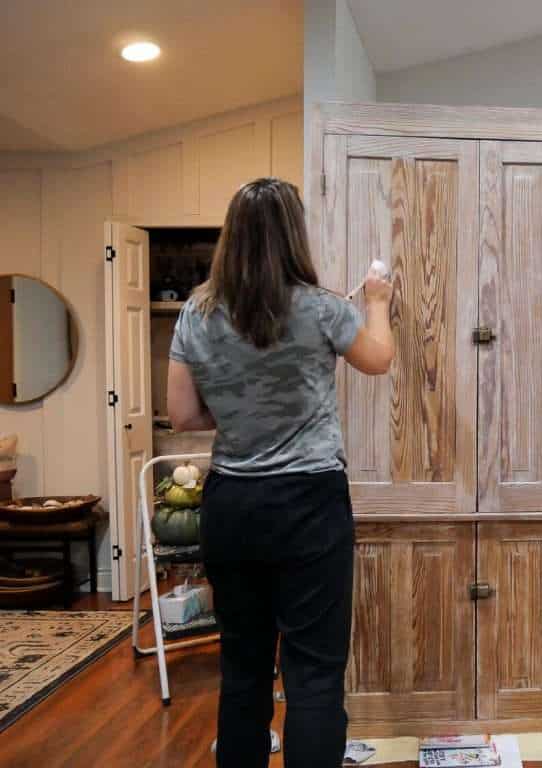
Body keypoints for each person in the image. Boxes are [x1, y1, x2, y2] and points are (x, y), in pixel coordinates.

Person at [166, 177, 394, 767]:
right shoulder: (322, 308)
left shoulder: (197, 310)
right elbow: (379, 359)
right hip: (309, 506)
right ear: (294, 234)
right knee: (314, 674)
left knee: (242, 669)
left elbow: (183, 414)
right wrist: (376, 301)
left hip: (232, 508)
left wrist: (243, 404)